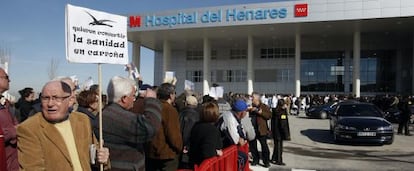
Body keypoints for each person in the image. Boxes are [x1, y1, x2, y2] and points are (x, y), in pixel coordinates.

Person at [17, 80, 110, 170]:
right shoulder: (29, 128)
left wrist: (102, 158)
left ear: (70, 101)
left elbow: (94, 155)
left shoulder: (82, 120)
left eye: (56, 98)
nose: (50, 104)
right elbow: (32, 168)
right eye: (45, 98)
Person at [102, 76, 162, 171]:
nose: (134, 99)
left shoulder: (104, 113)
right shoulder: (118, 117)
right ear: (124, 98)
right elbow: (150, 127)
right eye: (133, 96)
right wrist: (152, 100)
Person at [146, 83, 183, 171]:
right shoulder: (170, 110)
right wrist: (179, 147)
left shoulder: (152, 107)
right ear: (171, 95)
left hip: (151, 152)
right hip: (167, 154)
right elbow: (173, 135)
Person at [217, 99, 249, 171]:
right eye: (246, 111)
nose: (247, 113)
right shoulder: (229, 118)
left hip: (225, 149)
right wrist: (240, 140)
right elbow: (236, 140)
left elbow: (242, 134)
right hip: (221, 149)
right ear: (242, 112)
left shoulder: (233, 116)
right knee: (242, 158)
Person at [189, 102, 223, 166]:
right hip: (206, 165)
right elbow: (207, 151)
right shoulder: (212, 130)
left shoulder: (196, 126)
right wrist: (217, 152)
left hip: (194, 162)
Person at [0, 68, 18, 171]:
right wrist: (13, 131)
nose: (9, 80)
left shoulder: (6, 103)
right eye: (6, 77)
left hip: (12, 163)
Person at [248, 92, 272, 168]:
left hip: (261, 130)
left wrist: (261, 112)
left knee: (264, 146)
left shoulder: (264, 106)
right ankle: (255, 160)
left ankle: (266, 161)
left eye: (252, 97)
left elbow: (269, 116)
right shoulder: (250, 106)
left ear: (257, 98)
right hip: (252, 129)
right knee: (253, 146)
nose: (251, 98)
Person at [178, 95, 200, 169]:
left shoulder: (180, 113)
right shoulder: (195, 115)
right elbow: (187, 132)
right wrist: (187, 146)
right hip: (188, 149)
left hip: (179, 147)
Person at [271, 99, 289, 165]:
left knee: (276, 146)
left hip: (275, 131)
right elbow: (283, 124)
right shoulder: (282, 112)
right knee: (279, 147)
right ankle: (279, 160)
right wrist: (286, 133)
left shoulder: (275, 111)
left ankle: (273, 158)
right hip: (280, 132)